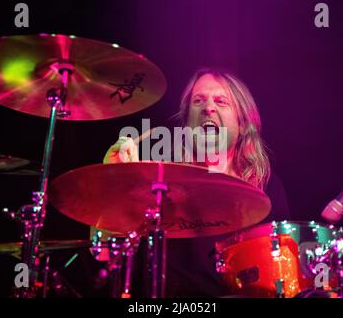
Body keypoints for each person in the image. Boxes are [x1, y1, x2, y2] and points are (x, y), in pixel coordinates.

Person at [101, 68, 290, 297]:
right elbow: (104, 253)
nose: (208, 108)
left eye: (221, 101)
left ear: (242, 124)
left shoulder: (267, 186)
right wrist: (115, 182)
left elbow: (283, 274)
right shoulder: (159, 183)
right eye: (198, 101)